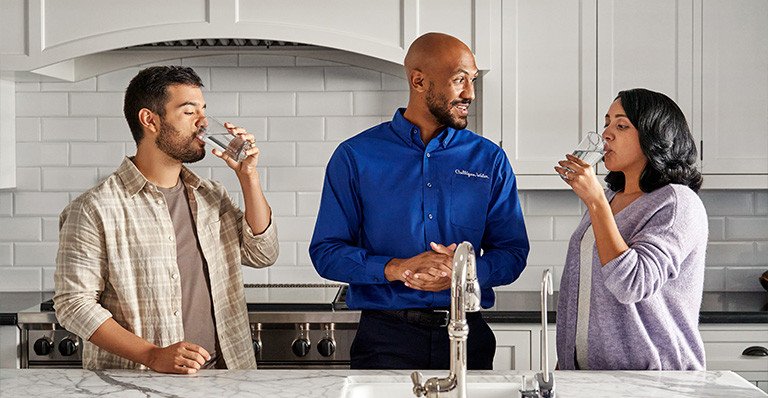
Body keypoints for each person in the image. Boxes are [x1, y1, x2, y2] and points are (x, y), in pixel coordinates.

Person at [309, 32, 529, 370]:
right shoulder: (355, 156)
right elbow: (326, 252)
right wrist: (397, 268)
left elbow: (513, 254)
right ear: (419, 81)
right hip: (385, 340)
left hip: (468, 338)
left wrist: (464, 273)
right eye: (459, 80)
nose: (470, 93)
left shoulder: (489, 159)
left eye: (471, 80)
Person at [54, 66, 278, 373]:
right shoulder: (94, 208)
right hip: (142, 383)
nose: (203, 123)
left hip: (227, 377)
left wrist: (248, 177)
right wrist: (151, 354)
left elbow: (263, 254)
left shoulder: (212, 196)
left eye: (203, 111)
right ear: (150, 120)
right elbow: (73, 305)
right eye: (188, 112)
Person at [554, 88, 707, 370]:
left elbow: (632, 284)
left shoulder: (677, 202)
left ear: (655, 136)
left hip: (654, 380)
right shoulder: (612, 197)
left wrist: (595, 200)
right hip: (590, 377)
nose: (606, 134)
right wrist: (567, 364)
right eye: (606, 123)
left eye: (622, 125)